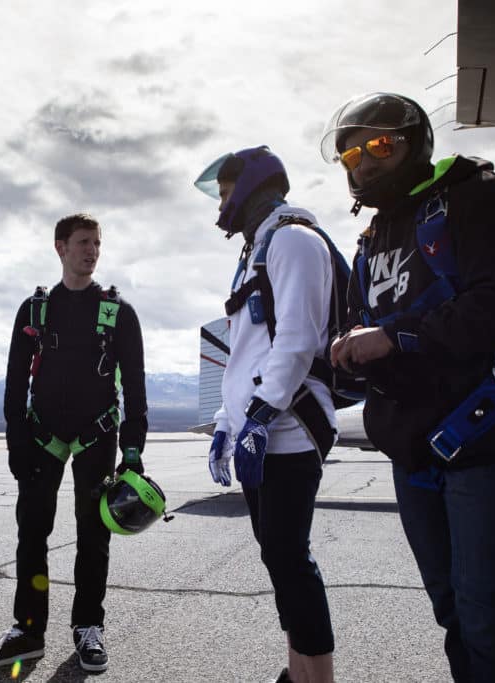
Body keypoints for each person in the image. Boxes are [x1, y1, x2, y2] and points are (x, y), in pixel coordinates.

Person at [322, 92, 495, 681]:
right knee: (453, 616)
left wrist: (395, 337)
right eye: (350, 154)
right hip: (411, 449)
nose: (364, 163)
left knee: (492, 624)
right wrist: (346, 353)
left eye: (380, 146)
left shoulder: (476, 198)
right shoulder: (370, 240)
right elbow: (360, 328)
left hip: (484, 437)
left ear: (415, 143)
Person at [0, 213, 148, 673]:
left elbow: (135, 383)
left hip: (97, 434)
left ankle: (89, 627)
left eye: (97, 243)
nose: (92, 251)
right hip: (41, 436)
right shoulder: (34, 311)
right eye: (83, 242)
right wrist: (15, 437)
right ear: (60, 247)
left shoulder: (118, 311)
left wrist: (133, 448)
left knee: (94, 535)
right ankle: (28, 631)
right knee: (32, 532)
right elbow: (14, 382)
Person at [194, 146, 336, 683]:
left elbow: (297, 341)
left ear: (251, 184)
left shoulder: (294, 240)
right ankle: (297, 671)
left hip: (290, 431)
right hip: (260, 430)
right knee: (277, 558)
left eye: (226, 190)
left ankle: (316, 678)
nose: (222, 202)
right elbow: (245, 354)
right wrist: (228, 425)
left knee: (291, 560)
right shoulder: (253, 253)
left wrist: (259, 416)